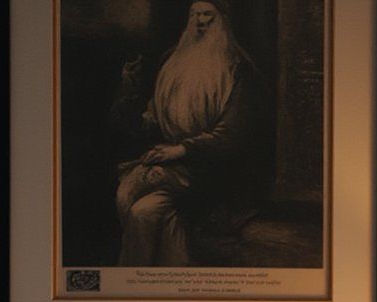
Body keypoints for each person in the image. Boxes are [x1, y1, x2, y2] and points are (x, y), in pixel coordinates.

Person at [112, 0, 269, 266]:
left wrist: (180, 150)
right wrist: (130, 93)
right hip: (175, 163)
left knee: (133, 200)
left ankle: (137, 283)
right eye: (194, 14)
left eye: (207, 14)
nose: (200, 21)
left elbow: (232, 136)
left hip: (214, 170)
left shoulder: (238, 69)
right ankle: (162, 279)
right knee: (138, 208)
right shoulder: (173, 62)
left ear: (222, 20)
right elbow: (148, 125)